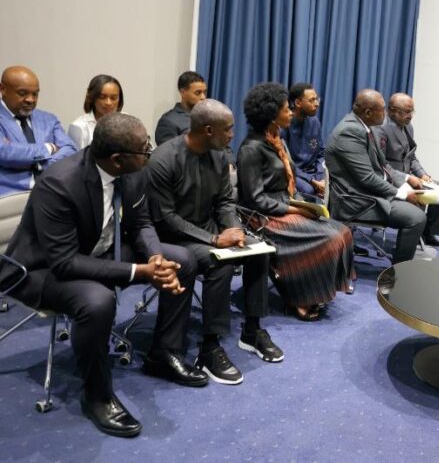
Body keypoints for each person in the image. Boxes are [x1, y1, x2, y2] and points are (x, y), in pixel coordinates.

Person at [0, 113, 207, 438]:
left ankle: (164, 353)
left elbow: (141, 224)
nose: (150, 153)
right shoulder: (59, 183)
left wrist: (155, 258)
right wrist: (140, 271)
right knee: (98, 301)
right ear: (117, 159)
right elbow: (65, 262)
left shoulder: (134, 171)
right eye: (144, 149)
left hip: (99, 248)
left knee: (181, 259)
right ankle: (97, 396)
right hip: (40, 269)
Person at [146, 99, 283, 386]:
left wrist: (234, 230)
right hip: (174, 238)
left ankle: (252, 330)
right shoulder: (163, 159)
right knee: (220, 263)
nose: (232, 134)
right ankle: (209, 347)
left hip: (209, 230)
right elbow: (165, 217)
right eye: (228, 129)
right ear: (208, 130)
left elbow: (224, 202)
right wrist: (214, 239)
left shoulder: (219, 156)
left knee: (259, 251)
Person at [237, 82, 355, 321]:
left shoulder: (276, 140)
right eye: (286, 109)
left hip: (284, 205)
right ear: (272, 116)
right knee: (329, 238)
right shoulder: (251, 148)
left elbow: (288, 182)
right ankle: (300, 296)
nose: (291, 112)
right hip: (263, 216)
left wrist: (302, 205)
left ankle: (316, 290)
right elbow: (255, 199)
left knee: (343, 231)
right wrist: (295, 209)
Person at [324, 89, 427, 264]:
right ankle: (399, 270)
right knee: (416, 218)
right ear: (368, 112)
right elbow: (367, 178)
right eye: (383, 109)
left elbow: (384, 165)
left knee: (418, 204)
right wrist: (403, 194)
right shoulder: (349, 131)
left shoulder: (364, 128)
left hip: (367, 192)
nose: (386, 113)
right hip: (355, 199)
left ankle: (401, 258)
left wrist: (405, 184)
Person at [374, 92, 439, 248]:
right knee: (419, 196)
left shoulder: (408, 127)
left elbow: (411, 157)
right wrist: (407, 178)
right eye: (406, 112)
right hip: (391, 179)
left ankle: (428, 234)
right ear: (392, 110)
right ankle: (407, 243)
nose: (410, 116)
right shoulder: (381, 129)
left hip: (408, 177)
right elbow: (381, 165)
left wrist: (423, 174)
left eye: (411, 111)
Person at [0, 65, 77, 195]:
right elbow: (4, 152)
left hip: (51, 191)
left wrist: (40, 164)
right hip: (10, 196)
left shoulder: (49, 119)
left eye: (35, 94)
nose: (30, 99)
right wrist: (49, 148)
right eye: (22, 93)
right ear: (3, 89)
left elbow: (70, 150)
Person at [279, 82, 325, 197]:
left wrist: (320, 177)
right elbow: (285, 161)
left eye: (317, 99)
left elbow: (321, 153)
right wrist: (312, 181)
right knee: (308, 190)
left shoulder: (315, 122)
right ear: (298, 103)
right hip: (293, 172)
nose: (317, 104)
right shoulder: (284, 125)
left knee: (334, 184)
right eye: (312, 100)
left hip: (314, 173)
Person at [68, 74, 124, 149]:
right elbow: (76, 156)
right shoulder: (79, 127)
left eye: (113, 98)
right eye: (102, 97)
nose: (108, 103)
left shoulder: (126, 122)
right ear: (92, 98)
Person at [154, 71, 207, 145]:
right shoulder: (168, 121)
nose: (203, 97)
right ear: (183, 93)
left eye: (204, 92)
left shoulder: (207, 117)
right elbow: (167, 151)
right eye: (198, 93)